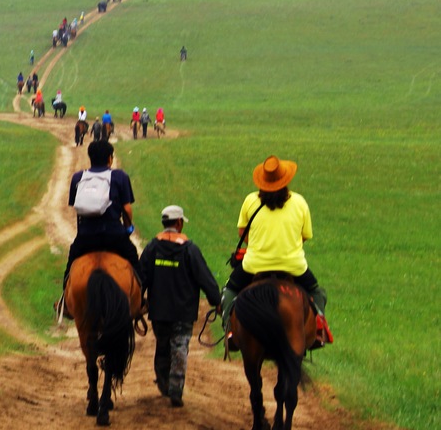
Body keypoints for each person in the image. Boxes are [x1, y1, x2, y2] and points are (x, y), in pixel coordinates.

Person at [219, 155, 331, 348]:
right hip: (293, 266)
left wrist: (259, 244)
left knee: (229, 291)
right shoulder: (299, 202)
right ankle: (318, 331)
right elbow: (304, 236)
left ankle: (230, 330)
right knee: (317, 292)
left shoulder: (250, 201)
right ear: (286, 179)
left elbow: (242, 233)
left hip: (254, 265)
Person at [140, 205, 221, 407]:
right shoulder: (189, 249)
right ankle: (176, 390)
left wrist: (138, 301)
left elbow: (140, 277)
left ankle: (163, 383)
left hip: (159, 311)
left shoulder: (152, 248)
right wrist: (216, 300)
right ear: (178, 223)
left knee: (162, 344)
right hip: (183, 312)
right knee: (180, 348)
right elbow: (205, 278)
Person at [58, 141, 141, 313]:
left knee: (70, 267)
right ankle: (141, 302)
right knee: (135, 262)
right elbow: (126, 209)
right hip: (114, 235)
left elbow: (77, 207)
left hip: (87, 237)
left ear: (90, 158)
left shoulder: (78, 178)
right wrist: (127, 229)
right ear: (110, 158)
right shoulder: (120, 177)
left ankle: (64, 303)